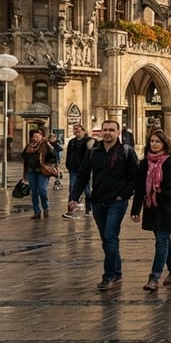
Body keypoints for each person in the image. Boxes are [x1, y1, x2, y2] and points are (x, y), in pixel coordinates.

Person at [68, 120, 140, 291]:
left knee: (109, 236)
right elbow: (83, 175)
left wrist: (123, 194)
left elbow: (135, 177)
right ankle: (117, 271)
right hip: (98, 201)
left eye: (111, 130)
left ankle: (108, 276)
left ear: (117, 133)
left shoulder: (126, 152)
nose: (107, 133)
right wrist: (74, 197)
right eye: (105, 130)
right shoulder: (93, 152)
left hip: (117, 201)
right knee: (107, 240)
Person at [130, 129, 171, 292]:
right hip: (152, 207)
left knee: (161, 240)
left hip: (170, 207)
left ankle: (154, 277)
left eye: (157, 141)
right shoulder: (144, 163)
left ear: (165, 143)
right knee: (163, 240)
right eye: (152, 141)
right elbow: (140, 188)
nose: (154, 144)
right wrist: (135, 210)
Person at [22, 129, 58, 219]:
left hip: (43, 171)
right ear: (31, 138)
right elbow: (24, 159)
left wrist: (49, 145)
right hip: (31, 172)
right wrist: (25, 174)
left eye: (38, 136)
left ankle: (45, 208)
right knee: (34, 192)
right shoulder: (28, 147)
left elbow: (54, 155)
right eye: (34, 136)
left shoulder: (45, 145)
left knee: (42, 190)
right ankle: (37, 212)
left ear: (42, 137)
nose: (36, 138)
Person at [63, 124, 92, 218]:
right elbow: (69, 155)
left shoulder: (88, 141)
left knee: (88, 191)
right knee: (72, 188)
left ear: (83, 131)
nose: (76, 132)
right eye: (75, 131)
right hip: (74, 169)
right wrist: (68, 165)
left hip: (85, 170)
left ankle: (89, 209)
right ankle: (70, 210)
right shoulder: (72, 142)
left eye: (78, 131)